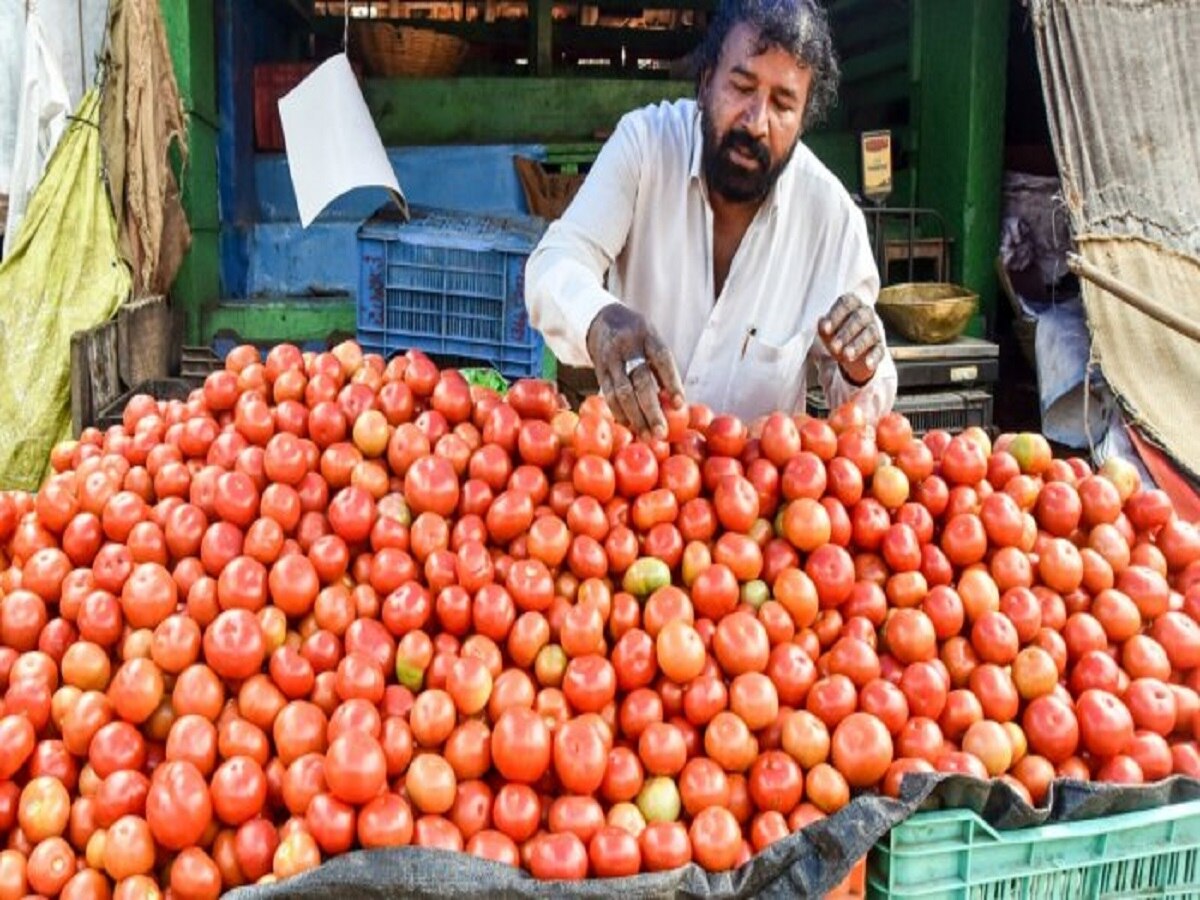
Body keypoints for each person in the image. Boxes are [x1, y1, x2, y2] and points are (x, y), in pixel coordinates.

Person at [525, 0, 897, 438]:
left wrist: (858, 368)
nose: (756, 123)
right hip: (634, 485)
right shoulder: (645, 147)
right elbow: (553, 264)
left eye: (782, 104)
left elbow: (866, 411)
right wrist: (598, 320)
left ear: (802, 122)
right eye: (741, 87)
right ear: (705, 84)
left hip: (754, 498)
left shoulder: (831, 219)